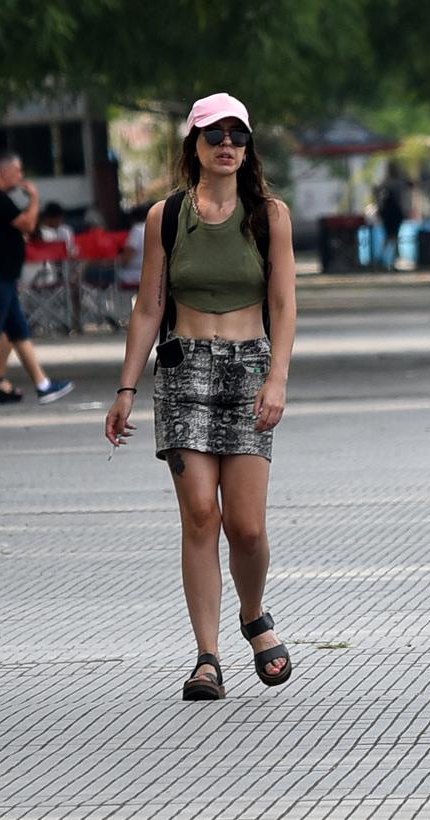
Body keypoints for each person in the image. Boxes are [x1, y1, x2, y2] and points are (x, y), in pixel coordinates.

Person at [104, 92, 298, 701]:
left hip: (249, 371)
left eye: (237, 137)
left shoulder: (269, 215)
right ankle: (207, 657)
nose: (226, 147)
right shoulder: (166, 217)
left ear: (248, 148)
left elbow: (285, 305)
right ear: (193, 145)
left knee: (246, 527)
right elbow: (148, 307)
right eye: (214, 136)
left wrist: (278, 378)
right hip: (184, 370)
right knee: (200, 517)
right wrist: (126, 389)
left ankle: (254, 614)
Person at [0, 150, 73, 409]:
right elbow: (28, 225)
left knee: (18, 330)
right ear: (3, 172)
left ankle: (43, 384)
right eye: (18, 171)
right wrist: (34, 198)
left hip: (2, 275)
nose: (21, 176)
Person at [375, 161, 412, 270]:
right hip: (395, 212)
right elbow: (410, 184)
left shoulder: (384, 182)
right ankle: (392, 259)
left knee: (389, 236)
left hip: (387, 213)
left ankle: (386, 259)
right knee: (394, 236)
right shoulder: (398, 182)